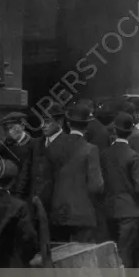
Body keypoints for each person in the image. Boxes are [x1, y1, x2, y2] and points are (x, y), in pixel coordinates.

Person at [48, 102, 104, 243]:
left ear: (67, 122)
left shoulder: (54, 146)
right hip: (82, 214)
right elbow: (96, 185)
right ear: (87, 125)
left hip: (58, 212)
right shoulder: (90, 149)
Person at [100, 112, 139, 268]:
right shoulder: (133, 156)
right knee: (126, 252)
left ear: (114, 130)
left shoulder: (104, 154)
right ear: (131, 131)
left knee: (111, 253)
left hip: (109, 209)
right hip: (130, 210)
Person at [0, 111, 37, 200]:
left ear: (23, 126)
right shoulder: (3, 148)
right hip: (7, 196)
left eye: (12, 128)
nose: (9, 132)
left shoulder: (35, 145)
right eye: (6, 129)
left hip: (27, 196)